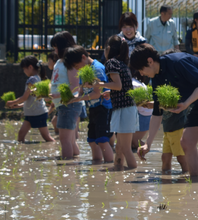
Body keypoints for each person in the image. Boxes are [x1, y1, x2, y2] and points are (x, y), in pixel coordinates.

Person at [130, 44, 198, 179]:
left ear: (150, 61)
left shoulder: (177, 62)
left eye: (140, 69)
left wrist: (186, 103)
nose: (141, 73)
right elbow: (157, 112)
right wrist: (148, 144)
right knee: (186, 142)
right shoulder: (156, 78)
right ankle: (195, 182)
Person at [63, 46, 114, 163]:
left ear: (83, 57)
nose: (77, 69)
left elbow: (97, 94)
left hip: (103, 108)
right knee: (92, 140)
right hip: (93, 108)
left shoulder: (97, 69)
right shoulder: (83, 71)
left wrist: (77, 99)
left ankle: (110, 168)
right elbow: (80, 92)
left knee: (102, 140)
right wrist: (71, 98)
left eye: (76, 66)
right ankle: (97, 165)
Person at [94, 35, 138, 170]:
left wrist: (99, 84)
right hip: (128, 108)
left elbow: (117, 85)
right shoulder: (122, 63)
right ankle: (118, 172)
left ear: (108, 48)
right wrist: (110, 92)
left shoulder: (111, 63)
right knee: (119, 147)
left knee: (125, 148)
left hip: (124, 109)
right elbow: (121, 87)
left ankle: (133, 175)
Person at [50, 31, 84, 159]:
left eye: (56, 47)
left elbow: (75, 86)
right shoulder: (59, 62)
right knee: (69, 140)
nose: (55, 50)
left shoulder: (70, 62)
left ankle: (66, 170)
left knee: (64, 140)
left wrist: (58, 95)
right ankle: (75, 164)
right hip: (63, 105)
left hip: (69, 104)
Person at [5, 56, 54, 142]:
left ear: (30, 67)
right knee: (21, 135)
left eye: (24, 69)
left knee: (47, 137)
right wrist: (17, 105)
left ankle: (56, 148)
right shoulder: (37, 78)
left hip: (38, 114)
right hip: (33, 113)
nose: (24, 72)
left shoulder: (32, 80)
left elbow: (25, 97)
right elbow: (32, 100)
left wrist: (12, 102)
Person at [139, 106, 190, 174]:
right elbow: (156, 114)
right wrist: (147, 143)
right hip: (167, 129)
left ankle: (188, 179)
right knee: (165, 158)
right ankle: (166, 180)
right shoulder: (159, 99)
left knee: (181, 158)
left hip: (179, 128)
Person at [132, 72, 152, 151]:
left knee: (135, 141)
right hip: (146, 114)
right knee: (131, 143)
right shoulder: (139, 83)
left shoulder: (134, 84)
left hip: (143, 115)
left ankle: (147, 150)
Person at [46, 52, 59, 134]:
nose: (47, 63)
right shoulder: (55, 70)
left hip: (61, 100)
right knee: (55, 121)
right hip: (57, 99)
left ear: (53, 61)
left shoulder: (57, 69)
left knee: (55, 121)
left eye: (48, 61)